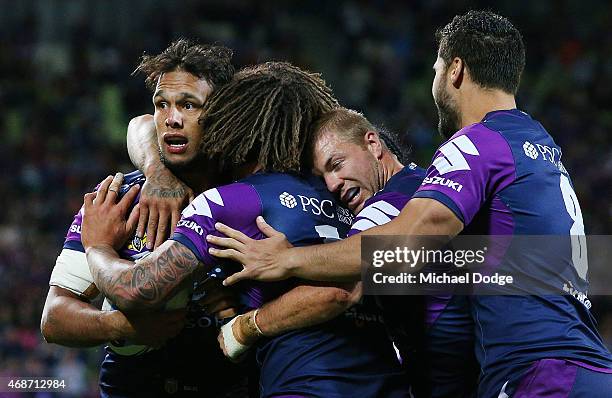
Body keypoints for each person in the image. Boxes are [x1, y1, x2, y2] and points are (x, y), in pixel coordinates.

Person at [210, 11, 612, 398]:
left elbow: (409, 239)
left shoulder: (474, 144)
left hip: (535, 373)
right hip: (585, 362)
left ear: (454, 70)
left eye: (435, 69)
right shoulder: (541, 144)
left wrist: (286, 262)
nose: (433, 80)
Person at [81, 62, 411, 398]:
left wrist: (98, 247)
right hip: (391, 382)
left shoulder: (228, 201)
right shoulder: (347, 194)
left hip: (303, 386)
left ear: (234, 124)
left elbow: (136, 289)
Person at [207, 107, 478, 397]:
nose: (332, 184)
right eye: (322, 176)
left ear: (373, 144)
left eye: (336, 164)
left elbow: (344, 287)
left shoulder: (390, 206)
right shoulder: (423, 185)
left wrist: (245, 326)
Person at [41, 39, 249, 397]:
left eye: (188, 105)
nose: (171, 118)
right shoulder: (119, 197)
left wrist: (244, 304)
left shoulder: (251, 196)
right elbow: (54, 318)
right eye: (161, 104)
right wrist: (119, 324)